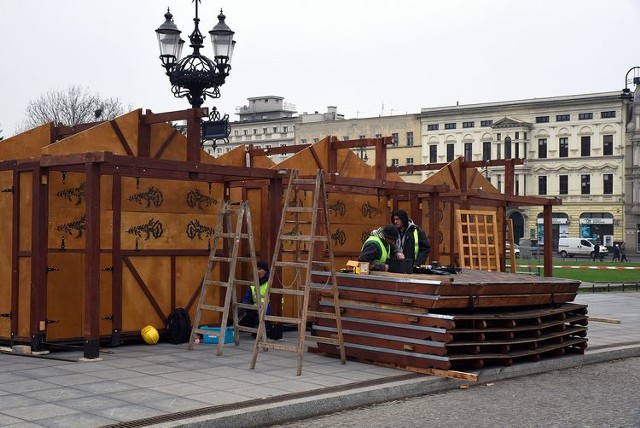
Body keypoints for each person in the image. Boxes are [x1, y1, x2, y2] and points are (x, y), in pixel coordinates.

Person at [239, 260, 275, 337]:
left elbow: (274, 303)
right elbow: (247, 298)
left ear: (265, 271)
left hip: (267, 311)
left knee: (260, 334)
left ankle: (264, 328)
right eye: (256, 269)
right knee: (242, 314)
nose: (258, 271)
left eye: (260, 269)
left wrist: (264, 313)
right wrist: (243, 307)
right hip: (255, 310)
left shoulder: (270, 283)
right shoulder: (253, 283)